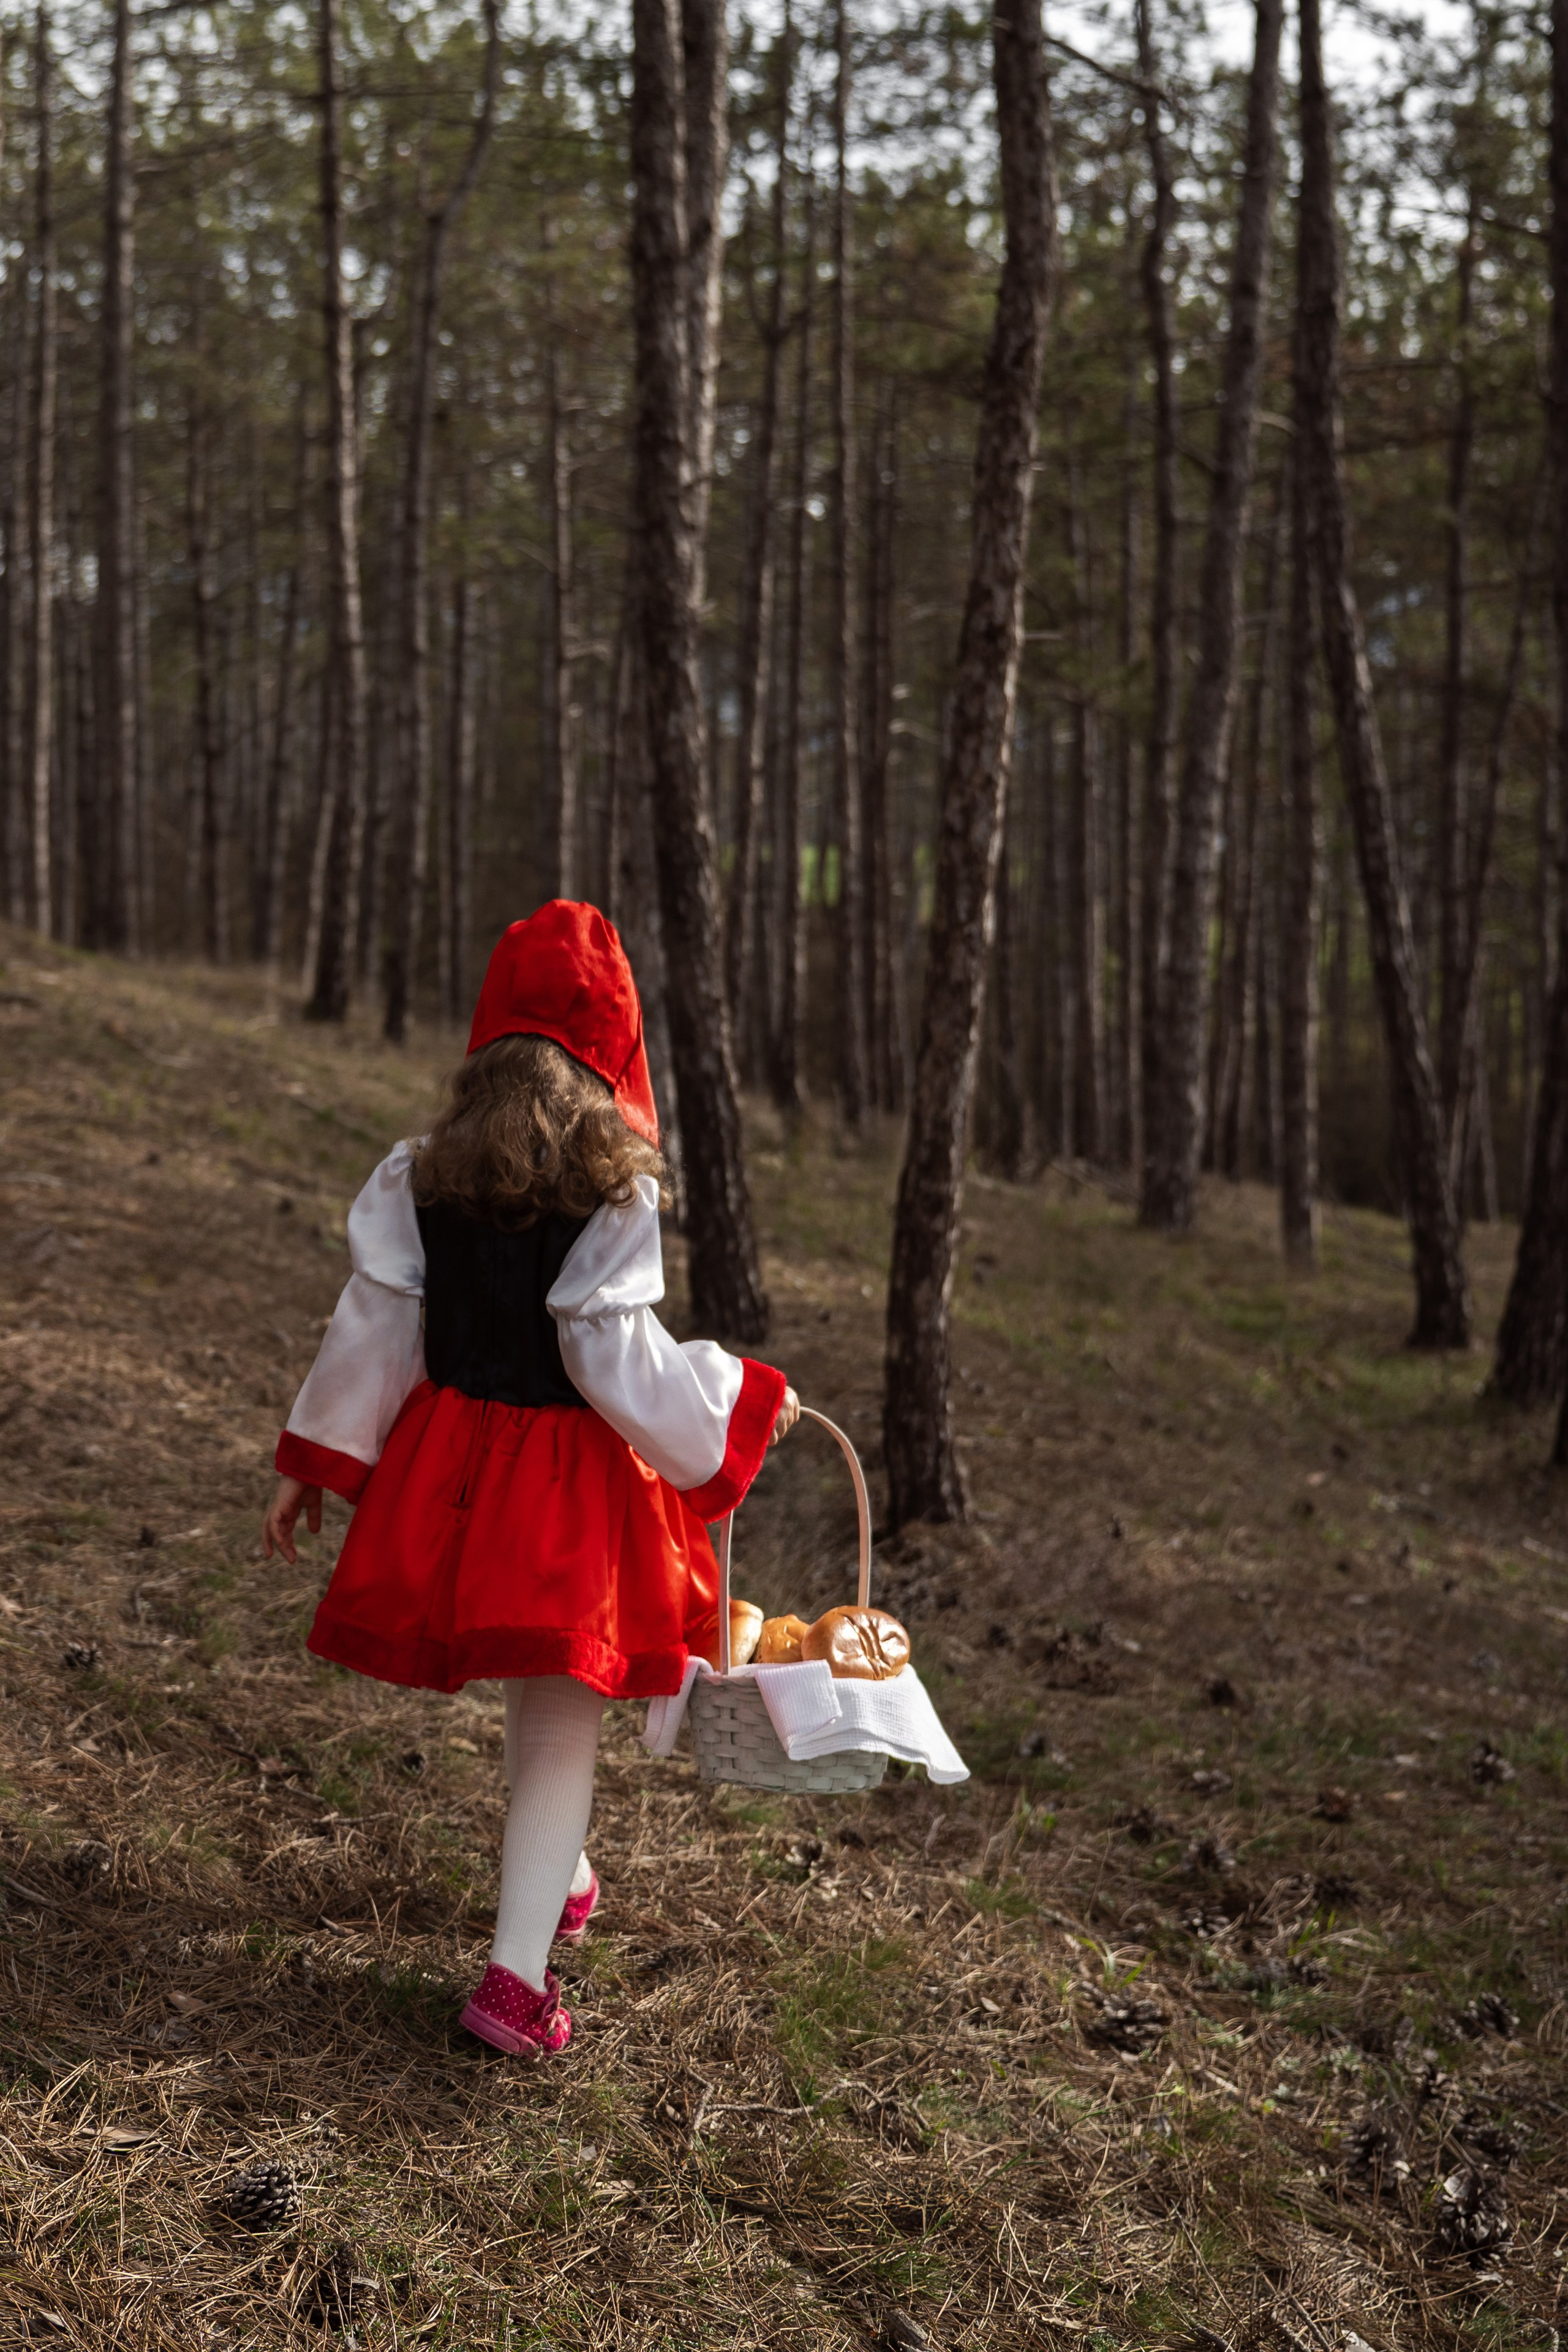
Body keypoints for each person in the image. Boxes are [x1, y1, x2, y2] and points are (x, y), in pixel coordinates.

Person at [261, 901, 796, 2059]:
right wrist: (732, 1397)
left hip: (457, 1478)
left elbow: (376, 1327)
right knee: (558, 1718)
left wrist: (319, 1457)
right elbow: (607, 1351)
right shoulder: (612, 1189)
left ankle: (563, 1877)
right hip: (566, 1499)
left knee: (539, 1693)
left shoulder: (423, 1173)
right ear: (615, 1050)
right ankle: (514, 1984)